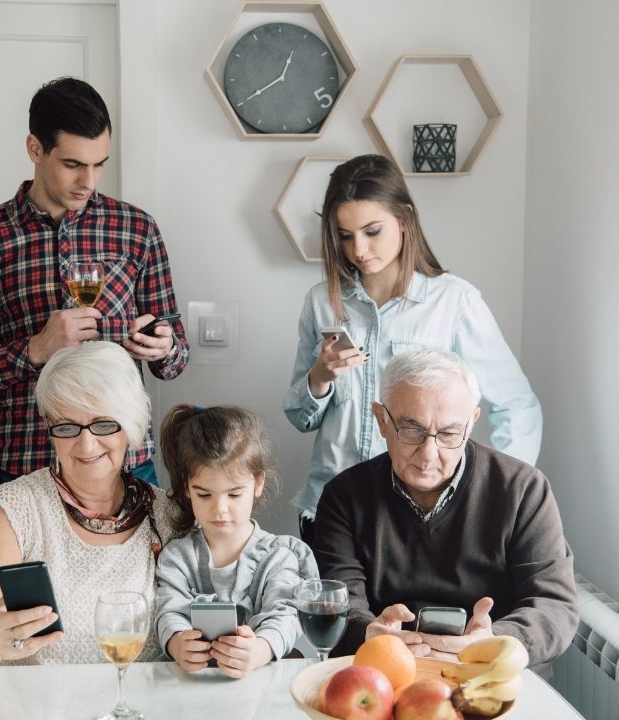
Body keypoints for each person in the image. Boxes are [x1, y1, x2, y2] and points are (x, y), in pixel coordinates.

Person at [0, 76, 188, 487]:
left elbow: (176, 359)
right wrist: (34, 349)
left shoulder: (137, 229)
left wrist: (164, 347)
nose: (89, 181)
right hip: (29, 463)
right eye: (73, 164)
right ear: (35, 148)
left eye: (99, 164)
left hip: (126, 458)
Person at [284, 154, 542, 544]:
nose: (359, 249)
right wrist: (320, 377)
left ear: (403, 221)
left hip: (421, 515)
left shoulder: (453, 302)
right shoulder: (321, 302)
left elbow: (517, 405)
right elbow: (300, 417)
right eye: (345, 235)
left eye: (373, 231)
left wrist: (498, 495)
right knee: (334, 608)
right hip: (331, 507)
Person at [312, 348, 577, 677]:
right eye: (412, 430)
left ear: (471, 424)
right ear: (382, 419)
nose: (428, 454)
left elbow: (555, 606)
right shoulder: (344, 496)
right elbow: (339, 602)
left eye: (449, 434)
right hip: (385, 672)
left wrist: (494, 639)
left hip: (494, 674)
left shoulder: (523, 489)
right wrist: (369, 633)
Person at [0, 341, 173, 670]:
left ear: (131, 425)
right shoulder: (12, 510)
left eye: (104, 424)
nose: (86, 444)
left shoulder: (167, 514)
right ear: (50, 429)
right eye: (67, 427)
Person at [154, 404, 318, 679]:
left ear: (258, 484)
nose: (219, 509)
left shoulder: (279, 556)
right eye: (204, 495)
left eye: (234, 495)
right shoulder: (177, 556)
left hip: (260, 689)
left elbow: (285, 616)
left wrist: (261, 650)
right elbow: (168, 609)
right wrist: (176, 641)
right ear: (187, 488)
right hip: (189, 690)